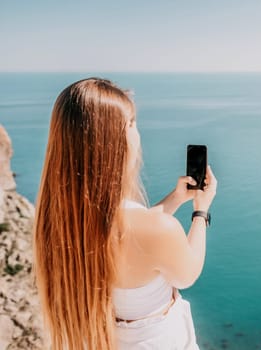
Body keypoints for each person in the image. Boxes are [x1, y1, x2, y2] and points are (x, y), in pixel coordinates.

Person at [33, 77, 217, 349]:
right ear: (113, 142)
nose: (136, 131)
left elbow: (125, 235)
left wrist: (175, 198)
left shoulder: (59, 222)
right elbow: (186, 274)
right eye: (131, 123)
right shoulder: (157, 229)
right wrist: (201, 212)